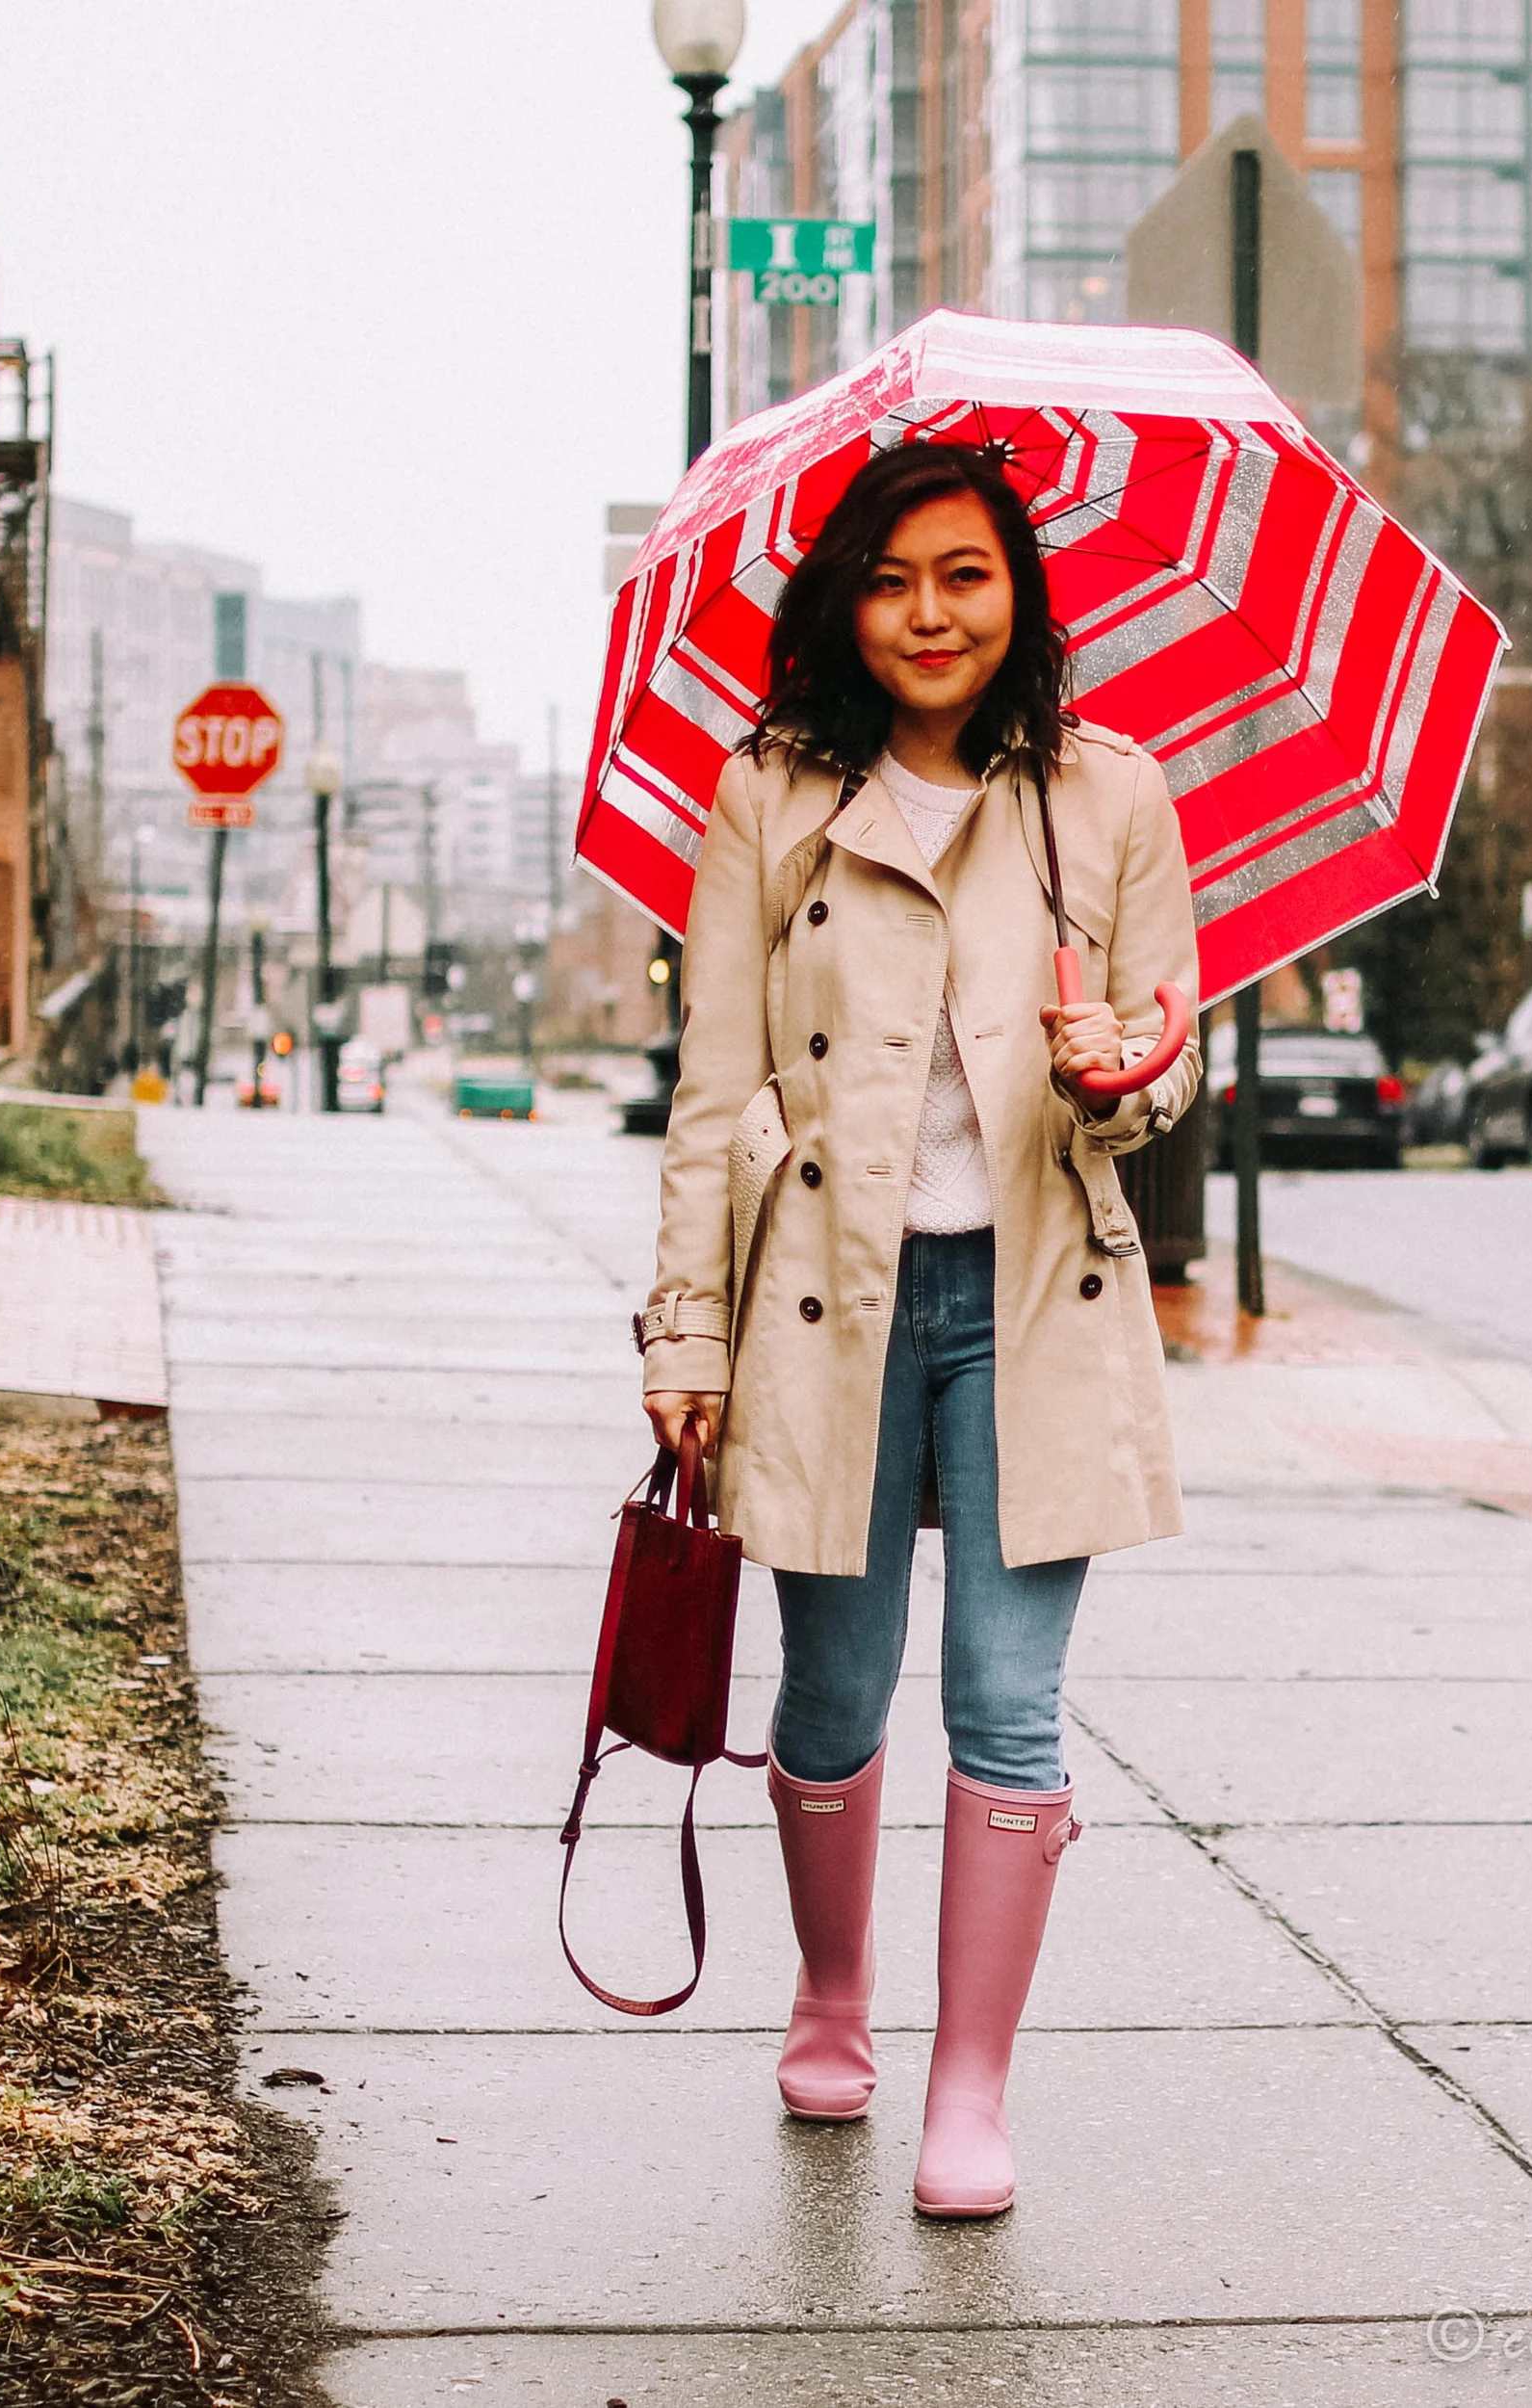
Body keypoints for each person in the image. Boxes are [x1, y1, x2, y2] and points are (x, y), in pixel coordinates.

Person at [637, 438, 1200, 2220]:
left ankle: (972, 2092)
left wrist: (1127, 1073)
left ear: (1018, 588)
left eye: (964, 573)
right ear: (844, 602)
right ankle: (829, 1997)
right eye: (891, 578)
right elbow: (711, 1082)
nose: (930, 612)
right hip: (829, 1301)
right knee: (830, 1684)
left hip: (1036, 1297)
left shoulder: (1107, 797)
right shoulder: (773, 798)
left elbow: (1155, 1079)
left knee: (1009, 1705)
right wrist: (684, 1339)